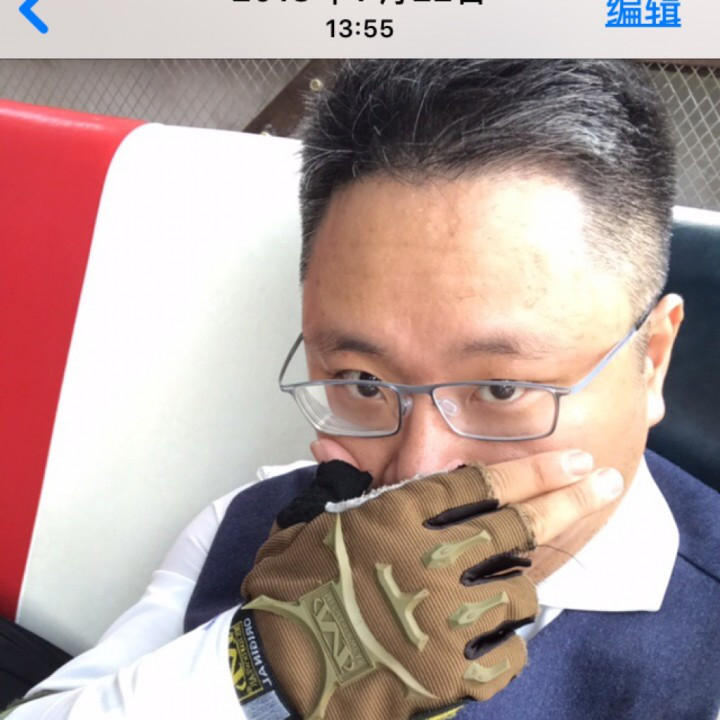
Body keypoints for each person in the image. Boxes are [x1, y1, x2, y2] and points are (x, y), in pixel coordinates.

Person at [4, 59, 720, 719]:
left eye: (502, 388)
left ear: (652, 360)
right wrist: (260, 669)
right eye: (362, 382)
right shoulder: (246, 523)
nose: (419, 470)